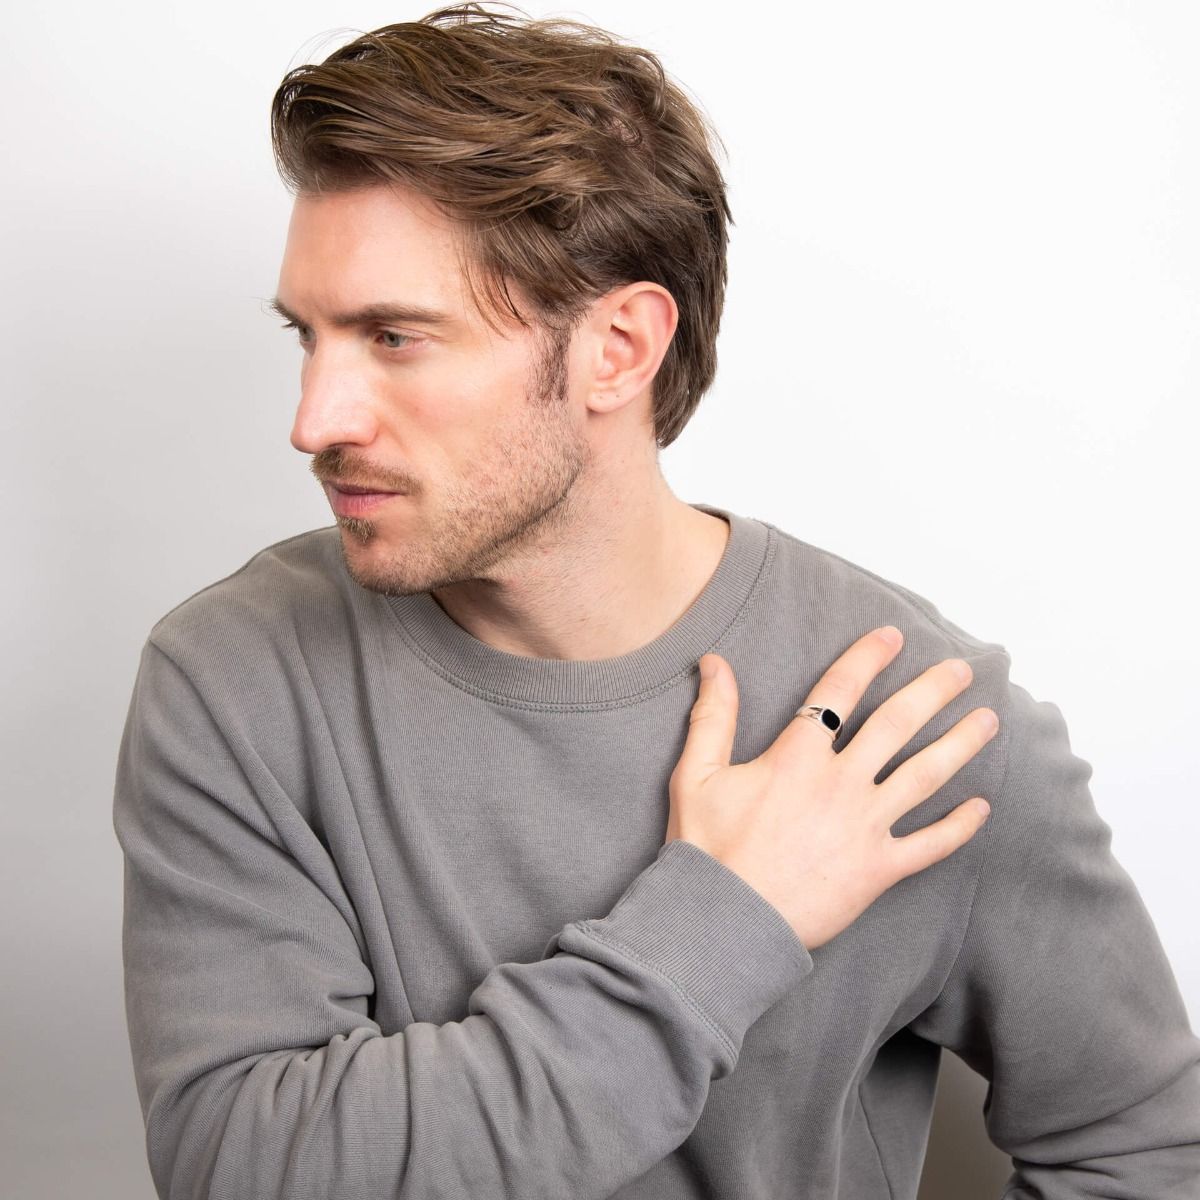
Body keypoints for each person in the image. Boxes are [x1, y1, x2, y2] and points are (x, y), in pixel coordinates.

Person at [111, 4, 1200, 1198]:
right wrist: (727, 918)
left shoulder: (909, 723)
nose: (315, 420)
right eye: (309, 338)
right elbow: (244, 1173)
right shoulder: (234, 678)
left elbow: (1145, 1151)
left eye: (394, 337)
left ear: (618, 347)